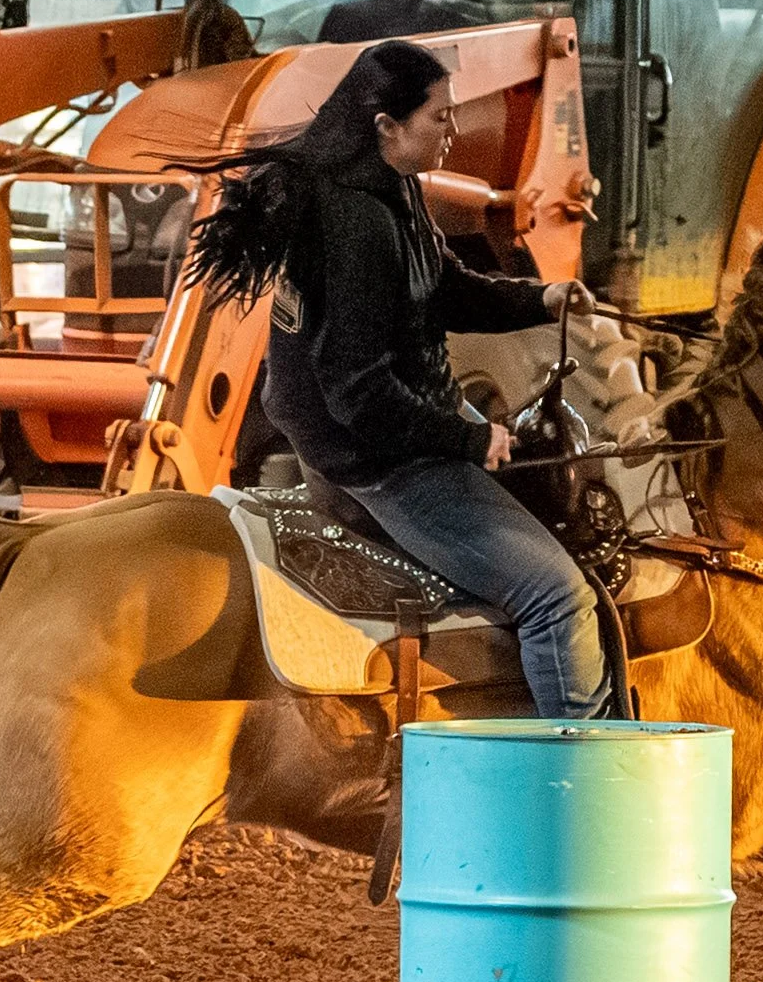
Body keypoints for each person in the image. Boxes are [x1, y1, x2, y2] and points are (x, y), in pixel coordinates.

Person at [178, 40, 608, 719]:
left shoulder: (391, 182)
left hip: (398, 420)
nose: (454, 129)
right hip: (378, 456)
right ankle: (581, 766)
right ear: (386, 125)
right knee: (556, 596)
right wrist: (469, 442)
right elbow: (358, 394)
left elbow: (442, 288)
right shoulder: (357, 223)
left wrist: (541, 298)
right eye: (440, 116)